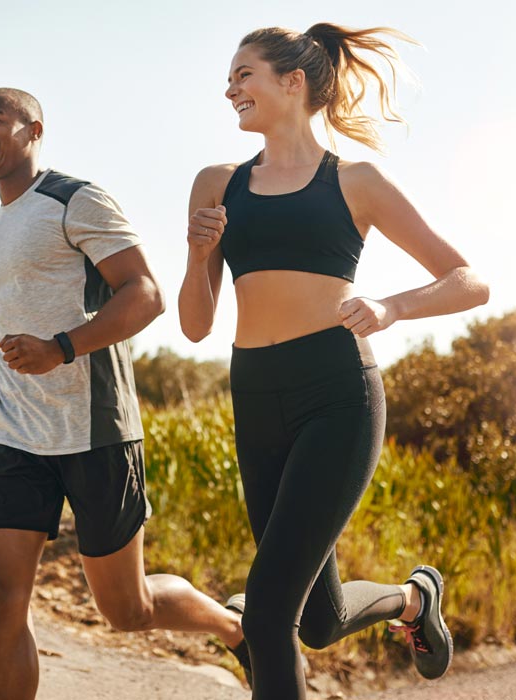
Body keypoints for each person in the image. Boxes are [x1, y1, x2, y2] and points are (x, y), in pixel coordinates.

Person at [178, 23, 490, 700]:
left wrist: (392, 308)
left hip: (336, 394)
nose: (230, 88)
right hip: (255, 395)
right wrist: (200, 254)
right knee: (317, 621)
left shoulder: (356, 181)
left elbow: (468, 280)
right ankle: (414, 599)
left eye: (244, 74)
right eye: (230, 77)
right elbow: (196, 325)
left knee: (264, 614)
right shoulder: (216, 183)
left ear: (293, 83)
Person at [0, 87, 243, 700]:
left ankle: (237, 628)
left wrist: (63, 348)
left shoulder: (76, 200)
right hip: (16, 432)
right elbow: (12, 331)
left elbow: (145, 294)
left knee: (127, 609)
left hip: (96, 430)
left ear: (33, 129)